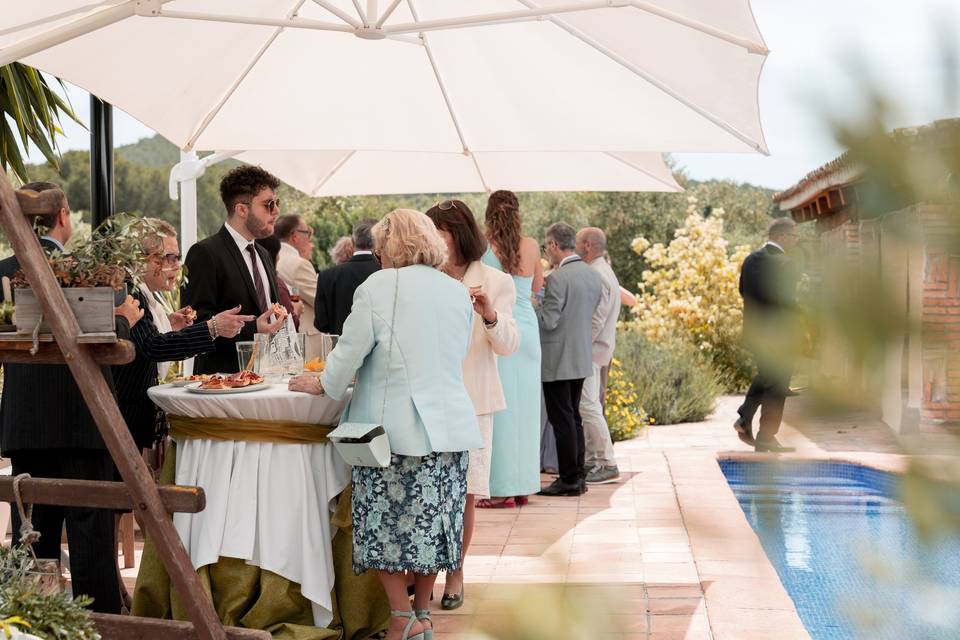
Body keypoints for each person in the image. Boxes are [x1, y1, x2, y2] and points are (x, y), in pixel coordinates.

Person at [289, 209, 480, 640]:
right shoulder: (456, 291)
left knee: (382, 526)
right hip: (448, 429)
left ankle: (401, 618)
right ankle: (422, 615)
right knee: (434, 525)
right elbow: (455, 354)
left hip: (391, 434)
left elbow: (346, 359)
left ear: (389, 246)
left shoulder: (378, 286)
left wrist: (319, 383)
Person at [0, 182, 143, 614]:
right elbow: (101, 344)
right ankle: (99, 625)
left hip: (26, 424)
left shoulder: (3, 272)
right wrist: (125, 320)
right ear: (63, 216)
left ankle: (30, 622)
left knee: (33, 535)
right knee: (92, 540)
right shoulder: (90, 272)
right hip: (85, 420)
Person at [425, 200, 519, 611]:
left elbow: (509, 345)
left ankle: (456, 571)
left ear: (459, 234)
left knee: (464, 493)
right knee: (426, 490)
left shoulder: (496, 281)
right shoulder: (422, 280)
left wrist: (489, 314)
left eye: (439, 233)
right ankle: (421, 572)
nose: (433, 241)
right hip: (426, 399)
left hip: (474, 401)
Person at [114, 220, 255, 451]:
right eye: (171, 257)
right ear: (144, 260)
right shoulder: (131, 293)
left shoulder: (146, 295)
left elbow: (146, 342)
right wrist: (212, 327)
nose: (178, 266)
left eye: (177, 257)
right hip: (126, 416)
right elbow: (154, 347)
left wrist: (171, 327)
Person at [181, 165, 286, 374]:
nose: (276, 211)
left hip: (267, 377)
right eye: (268, 204)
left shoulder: (263, 254)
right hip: (222, 383)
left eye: (276, 203)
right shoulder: (204, 253)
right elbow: (195, 325)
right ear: (241, 209)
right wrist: (252, 329)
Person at [479, 189, 544, 508]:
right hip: (528, 328)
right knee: (526, 410)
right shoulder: (531, 245)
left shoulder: (483, 247)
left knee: (501, 409)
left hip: (501, 326)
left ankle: (501, 489)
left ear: (489, 213)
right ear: (517, 212)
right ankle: (522, 486)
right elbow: (536, 287)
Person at [536, 222, 604, 497]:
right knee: (573, 417)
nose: (546, 253)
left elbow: (549, 321)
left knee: (561, 419)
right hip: (580, 356)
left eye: (546, 247)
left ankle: (568, 479)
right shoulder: (592, 276)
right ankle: (577, 476)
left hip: (557, 357)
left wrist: (530, 306)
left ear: (553, 245)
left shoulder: (557, 278)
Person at [735, 217, 801, 453]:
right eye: (794, 236)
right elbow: (788, 302)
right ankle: (764, 435)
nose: (796, 241)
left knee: (766, 377)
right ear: (782, 236)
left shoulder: (750, 259)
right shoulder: (787, 264)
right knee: (777, 383)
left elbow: (743, 291)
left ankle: (747, 420)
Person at [575, 228, 622, 484]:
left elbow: (595, 319)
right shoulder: (604, 271)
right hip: (597, 350)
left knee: (589, 406)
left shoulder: (597, 274)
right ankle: (594, 461)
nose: (574, 248)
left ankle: (606, 462)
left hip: (591, 351)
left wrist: (578, 345)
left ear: (588, 245)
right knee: (589, 406)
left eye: (577, 243)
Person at [314, 219, 380, 335]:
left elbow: (321, 323)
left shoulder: (327, 276)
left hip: (340, 348)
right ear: (378, 242)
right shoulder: (388, 272)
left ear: (353, 242)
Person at [274, 214, 322, 358]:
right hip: (305, 337)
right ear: (294, 236)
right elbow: (320, 300)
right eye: (307, 232)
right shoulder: (298, 264)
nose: (309, 238)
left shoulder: (271, 257)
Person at [257, 235, 302, 328]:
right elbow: (289, 323)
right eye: (277, 253)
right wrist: (297, 309)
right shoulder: (276, 283)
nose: (279, 258)